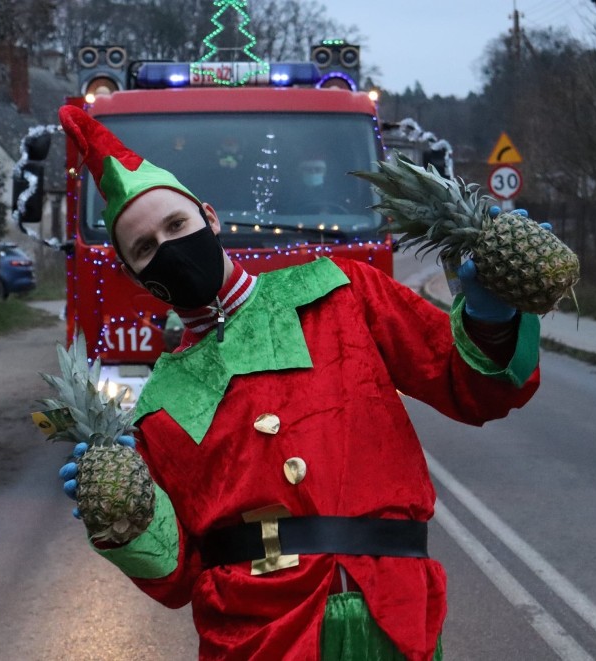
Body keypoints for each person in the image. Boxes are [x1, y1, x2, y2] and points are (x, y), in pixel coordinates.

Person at [55, 104, 542, 661]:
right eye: (144, 248)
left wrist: (493, 319)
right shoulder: (158, 403)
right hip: (256, 637)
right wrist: (126, 524)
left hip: (394, 617)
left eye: (176, 225)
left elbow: (473, 388)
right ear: (132, 271)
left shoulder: (339, 290)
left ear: (209, 219)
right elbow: (179, 574)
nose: (167, 247)